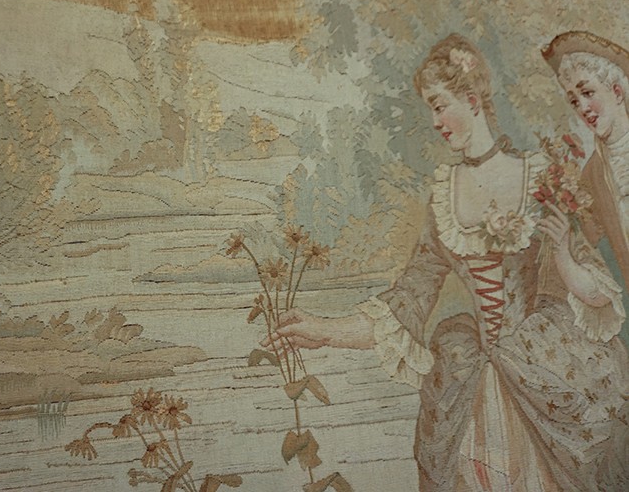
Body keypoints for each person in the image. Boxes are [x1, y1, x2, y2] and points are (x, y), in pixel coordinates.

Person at [268, 34, 629, 491]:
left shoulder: (539, 176)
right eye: (430, 109)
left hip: (544, 365)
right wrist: (325, 330)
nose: (436, 121)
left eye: (440, 106)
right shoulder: (444, 196)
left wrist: (560, 254)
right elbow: (410, 298)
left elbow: (597, 288)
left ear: (472, 100)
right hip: (469, 376)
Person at [543, 31, 629, 345]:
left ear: (617, 91)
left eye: (588, 92)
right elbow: (600, 289)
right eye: (574, 101)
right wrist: (562, 250)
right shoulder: (591, 178)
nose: (583, 107)